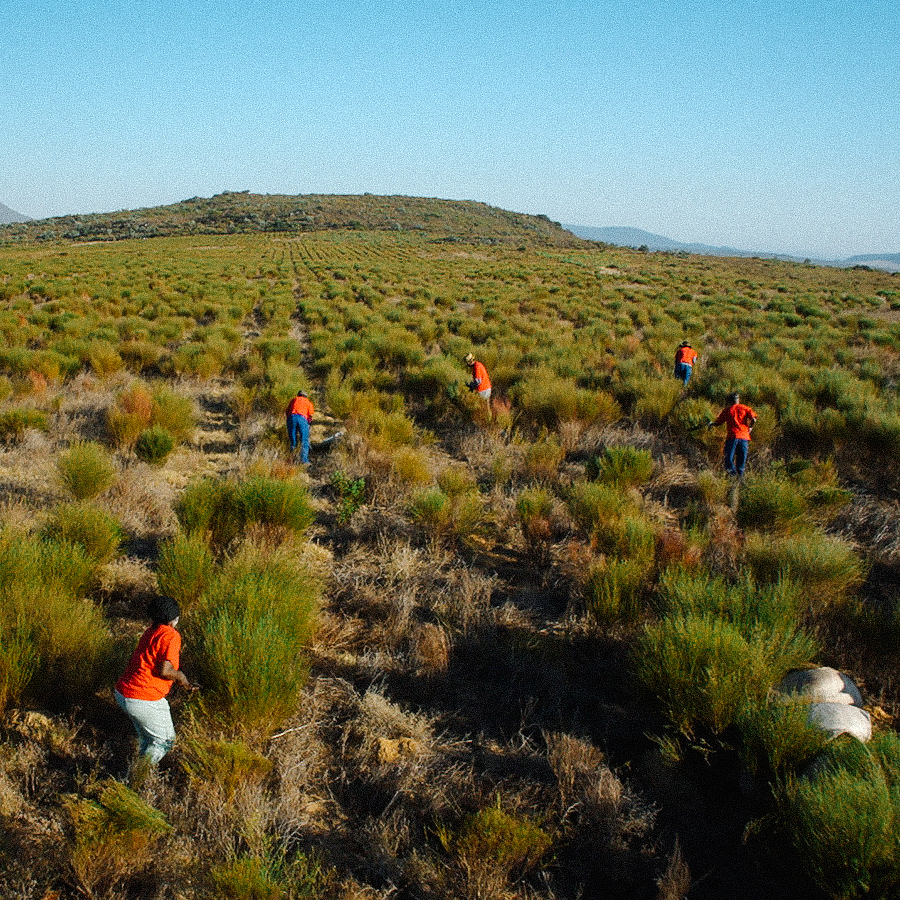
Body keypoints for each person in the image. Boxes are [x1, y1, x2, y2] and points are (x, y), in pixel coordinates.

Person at [115, 595, 196, 768]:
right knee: (164, 741)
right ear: (174, 619)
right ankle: (135, 778)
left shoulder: (151, 630)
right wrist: (182, 678)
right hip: (142, 698)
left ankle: (136, 772)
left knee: (148, 739)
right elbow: (165, 671)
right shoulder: (171, 635)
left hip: (124, 692)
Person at [707, 392, 758, 477]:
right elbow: (754, 419)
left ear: (729, 401)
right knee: (741, 461)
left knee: (729, 460)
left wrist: (711, 424)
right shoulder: (745, 408)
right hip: (744, 438)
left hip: (732, 437)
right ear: (738, 400)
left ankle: (733, 477)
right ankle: (739, 480)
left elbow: (718, 423)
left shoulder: (727, 410)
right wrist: (750, 427)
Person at [286, 389, 314, 464]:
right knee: (304, 440)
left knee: (293, 441)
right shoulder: (308, 402)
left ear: (298, 395)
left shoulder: (293, 400)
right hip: (302, 418)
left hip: (291, 418)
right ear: (305, 396)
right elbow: (310, 415)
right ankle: (304, 461)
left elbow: (287, 411)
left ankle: (292, 459)